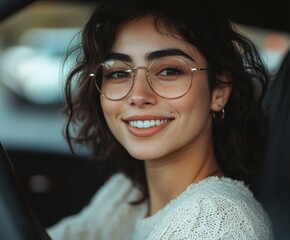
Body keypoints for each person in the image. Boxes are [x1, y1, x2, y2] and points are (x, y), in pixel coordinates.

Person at [47, 0, 273, 239]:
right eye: (119, 73)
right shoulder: (125, 194)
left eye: (168, 71)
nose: (138, 96)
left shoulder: (216, 219)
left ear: (219, 91)